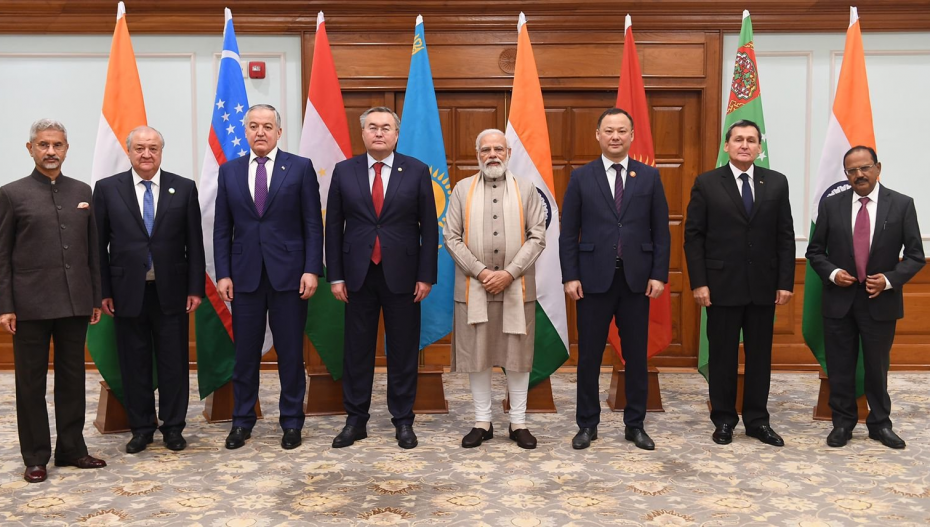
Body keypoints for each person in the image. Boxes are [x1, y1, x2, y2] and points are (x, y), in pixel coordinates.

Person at [326, 106, 438, 450]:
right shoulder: (344, 171)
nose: (379, 133)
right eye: (372, 127)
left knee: (403, 351)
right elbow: (334, 226)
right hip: (357, 276)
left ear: (396, 134)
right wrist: (335, 276)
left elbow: (429, 228)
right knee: (356, 351)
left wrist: (426, 276)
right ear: (362, 133)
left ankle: (403, 420)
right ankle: (355, 420)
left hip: (403, 276)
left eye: (386, 128)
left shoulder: (416, 170)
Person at [0, 119, 106, 483]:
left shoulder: (82, 190)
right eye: (43, 145)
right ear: (30, 149)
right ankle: (35, 456)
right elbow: (2, 255)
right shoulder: (11, 194)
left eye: (57, 145)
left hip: (75, 302)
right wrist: (5, 305)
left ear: (66, 149)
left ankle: (72, 449)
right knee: (31, 383)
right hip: (28, 306)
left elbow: (92, 250)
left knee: (72, 378)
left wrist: (93, 296)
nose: (50, 151)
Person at [213, 104, 324, 450]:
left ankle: (291, 422)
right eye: (253, 126)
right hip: (244, 277)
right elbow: (222, 228)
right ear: (245, 131)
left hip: (290, 277)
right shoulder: (229, 171)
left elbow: (312, 224)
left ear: (279, 132)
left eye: (267, 126)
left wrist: (311, 269)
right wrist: (223, 273)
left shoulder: (300, 168)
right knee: (245, 355)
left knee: (290, 354)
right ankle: (242, 421)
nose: (260, 132)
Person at [560, 108, 670, 451]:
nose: (615, 136)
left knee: (635, 356)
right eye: (609, 130)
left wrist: (659, 274)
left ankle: (635, 424)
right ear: (598, 135)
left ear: (632, 136)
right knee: (589, 357)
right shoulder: (581, 177)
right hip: (592, 280)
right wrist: (570, 276)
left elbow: (661, 231)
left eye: (622, 130)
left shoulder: (649, 177)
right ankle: (587, 425)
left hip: (636, 280)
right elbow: (568, 232)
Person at [94, 126, 205, 454]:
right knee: (134, 363)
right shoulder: (107, 189)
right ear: (129, 152)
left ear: (161, 152)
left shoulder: (183, 188)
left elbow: (194, 244)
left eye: (153, 148)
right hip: (126, 292)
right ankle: (141, 428)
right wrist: (103, 291)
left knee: (174, 363)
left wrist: (195, 288)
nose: (146, 154)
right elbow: (98, 247)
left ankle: (173, 428)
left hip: (172, 291)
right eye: (140, 148)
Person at [683, 119, 795, 447]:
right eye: (738, 139)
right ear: (727, 146)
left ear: (760, 147)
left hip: (764, 286)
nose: (745, 145)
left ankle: (758, 421)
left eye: (751, 140)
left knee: (760, 357)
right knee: (723, 357)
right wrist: (699, 282)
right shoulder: (707, 183)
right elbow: (694, 237)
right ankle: (724, 419)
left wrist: (785, 281)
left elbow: (785, 235)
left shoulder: (776, 182)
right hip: (720, 286)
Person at [806, 145, 924, 449]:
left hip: (880, 301)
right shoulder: (831, 205)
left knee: (876, 367)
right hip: (839, 300)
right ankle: (842, 424)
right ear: (846, 174)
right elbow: (815, 252)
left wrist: (889, 280)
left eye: (865, 168)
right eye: (852, 170)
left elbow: (915, 255)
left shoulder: (901, 204)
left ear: (878, 168)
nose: (859, 174)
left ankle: (880, 424)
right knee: (840, 366)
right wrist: (833, 273)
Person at [444, 129, 546, 449]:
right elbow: (451, 237)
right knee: (479, 355)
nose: (492, 155)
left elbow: (537, 237)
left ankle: (518, 422)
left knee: (517, 356)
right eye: (485, 149)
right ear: (477, 154)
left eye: (498, 149)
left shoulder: (527, 189)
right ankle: (482, 422)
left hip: (517, 287)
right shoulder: (462, 189)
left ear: (509, 153)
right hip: (474, 287)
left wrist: (509, 274)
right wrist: (482, 272)